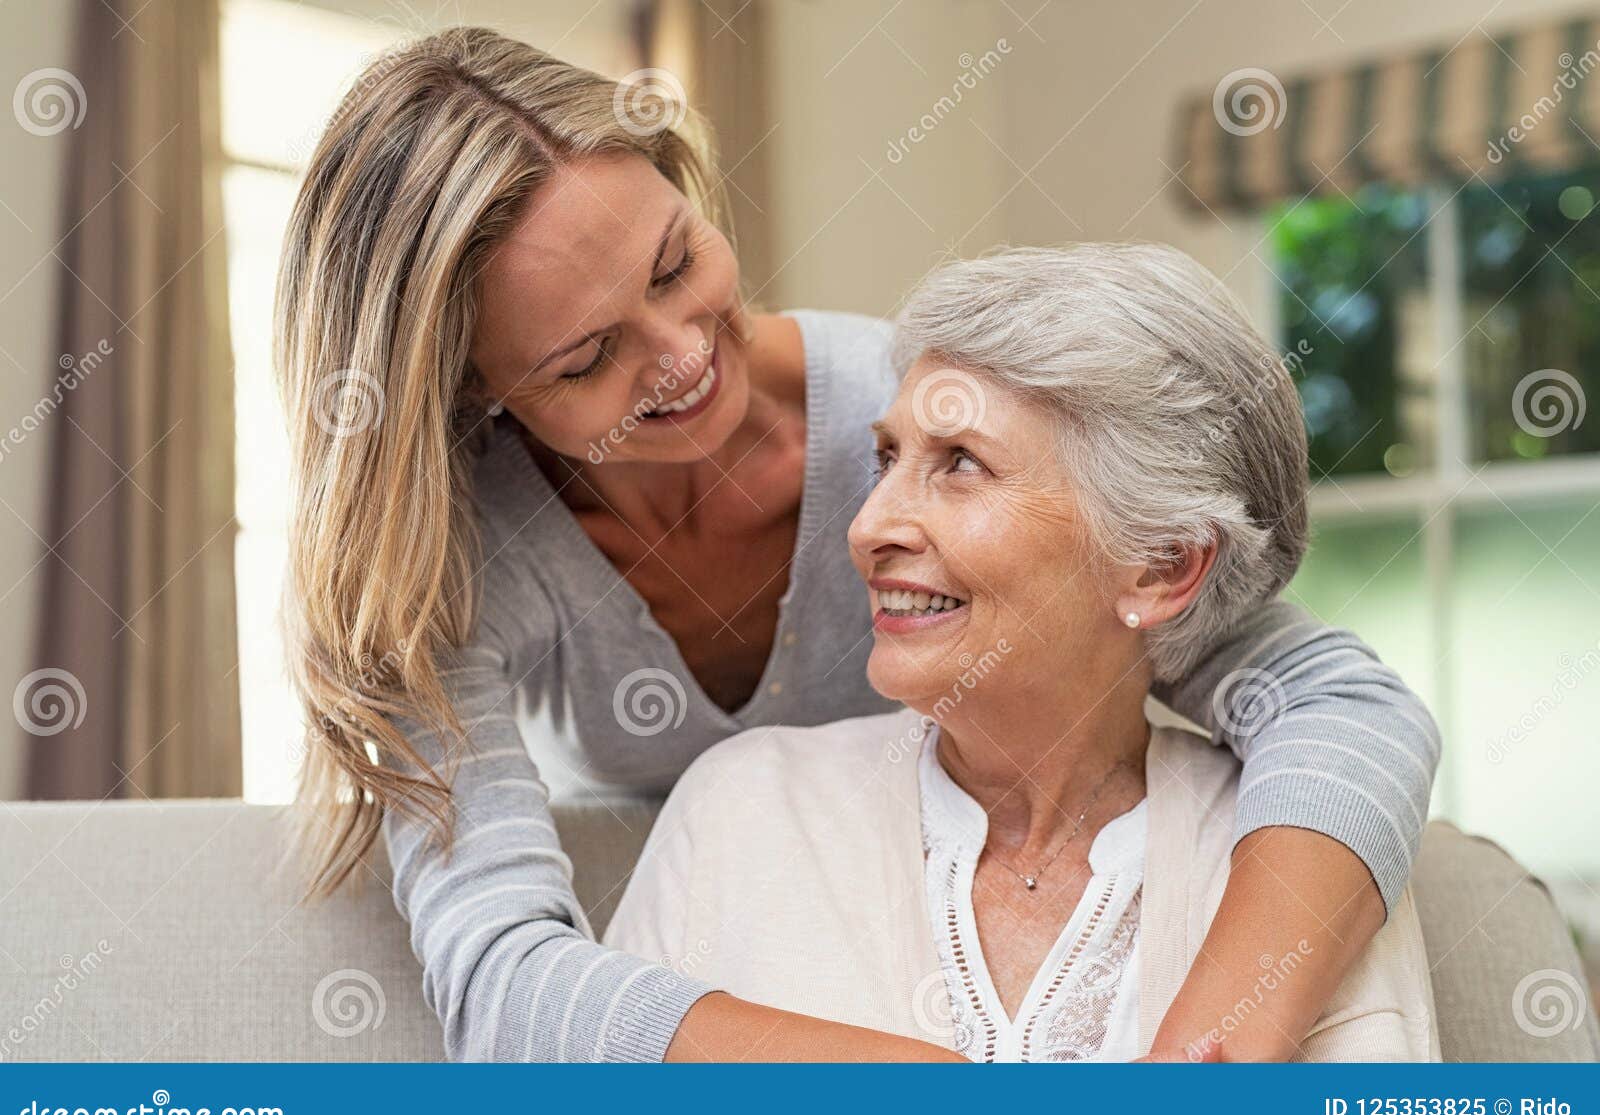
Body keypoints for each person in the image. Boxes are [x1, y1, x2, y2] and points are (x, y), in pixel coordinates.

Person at [276, 29, 1438, 1061]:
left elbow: (1330, 697)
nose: (682, 358)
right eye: (586, 360)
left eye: (677, 265)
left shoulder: (915, 412)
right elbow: (502, 986)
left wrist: (1214, 1054)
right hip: (706, 960)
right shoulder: (448, 568)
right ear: (475, 392)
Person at [606, 244, 1440, 1062]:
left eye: (961, 464)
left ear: (1162, 565)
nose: (866, 527)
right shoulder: (742, 807)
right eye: (887, 457)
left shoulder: (1304, 859)